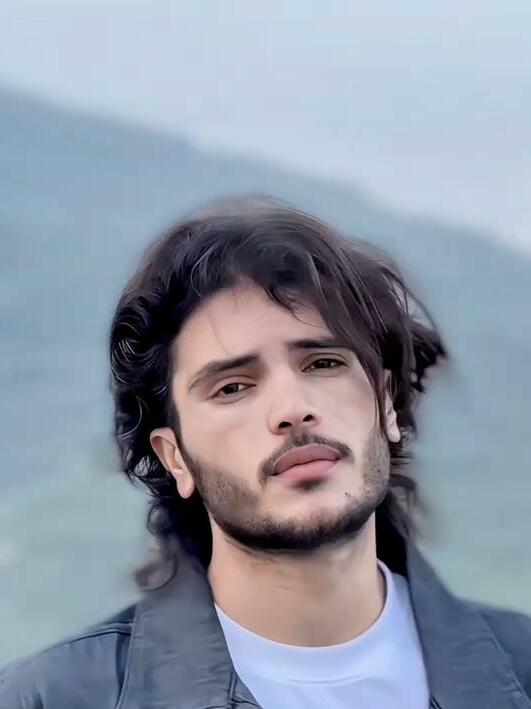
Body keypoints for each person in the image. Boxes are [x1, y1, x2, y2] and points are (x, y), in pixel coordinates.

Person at [2, 198, 530, 709]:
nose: (293, 409)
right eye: (233, 387)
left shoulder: (520, 670)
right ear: (174, 457)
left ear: (387, 403)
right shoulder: (51, 698)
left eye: (323, 364)